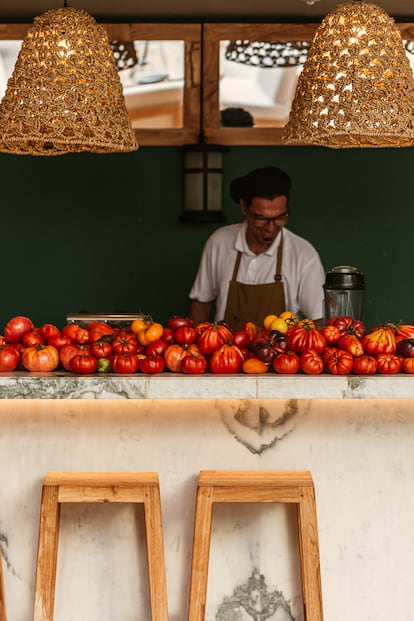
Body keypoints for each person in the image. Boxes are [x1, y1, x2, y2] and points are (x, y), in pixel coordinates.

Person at [188, 166, 325, 330]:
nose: (271, 228)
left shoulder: (303, 254)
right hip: (227, 352)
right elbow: (201, 304)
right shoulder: (219, 242)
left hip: (283, 355)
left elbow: (319, 319)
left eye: (280, 218)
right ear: (244, 208)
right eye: (262, 219)